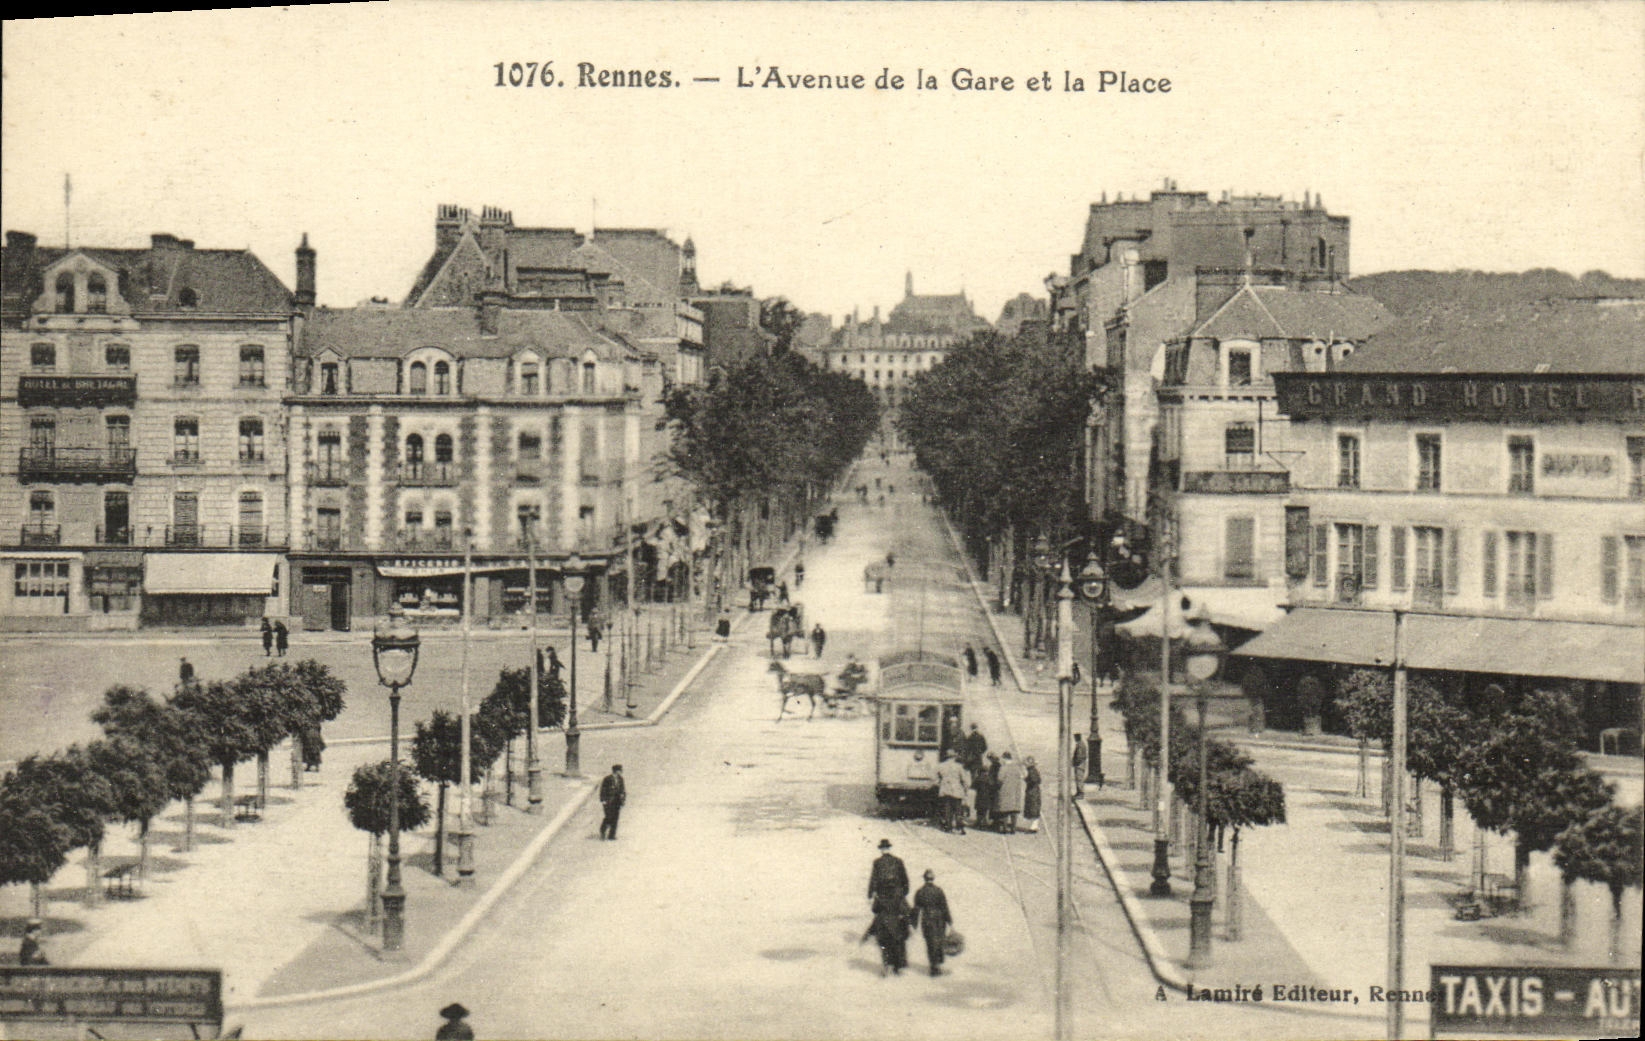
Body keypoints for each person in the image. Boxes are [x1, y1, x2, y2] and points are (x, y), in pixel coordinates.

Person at [864, 839, 910, 975]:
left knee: (884, 935)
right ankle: (899, 966)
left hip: (883, 901)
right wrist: (902, 894)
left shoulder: (877, 863)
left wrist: (870, 894)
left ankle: (887, 964)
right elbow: (905, 880)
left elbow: (873, 880)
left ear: (881, 850)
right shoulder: (898, 861)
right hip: (897, 900)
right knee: (899, 932)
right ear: (889, 849)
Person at [910, 870, 954, 976]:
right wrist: (949, 921)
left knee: (930, 943)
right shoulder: (939, 891)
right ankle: (937, 965)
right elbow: (944, 907)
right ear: (933, 879)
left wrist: (913, 924)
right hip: (939, 920)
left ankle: (933, 967)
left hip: (927, 920)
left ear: (924, 879)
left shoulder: (920, 892)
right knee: (939, 942)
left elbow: (916, 909)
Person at [935, 752, 969, 833]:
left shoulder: (941, 765)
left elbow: (935, 777)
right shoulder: (959, 766)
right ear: (954, 757)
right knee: (958, 809)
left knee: (947, 808)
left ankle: (948, 826)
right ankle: (959, 827)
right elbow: (964, 779)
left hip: (945, 789)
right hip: (956, 789)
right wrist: (965, 788)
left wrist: (939, 783)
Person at [995, 751, 1026, 833]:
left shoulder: (1003, 768)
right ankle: (1013, 829)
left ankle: (1004, 828)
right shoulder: (1016, 768)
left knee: (1005, 811)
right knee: (1014, 811)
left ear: (1005, 759)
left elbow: (1000, 780)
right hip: (1015, 792)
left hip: (1006, 791)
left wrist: (997, 787)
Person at [598, 764, 626, 839]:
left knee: (616, 818)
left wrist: (623, 800)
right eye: (620, 770)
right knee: (609, 817)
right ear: (616, 771)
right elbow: (603, 790)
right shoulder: (607, 779)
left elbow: (623, 790)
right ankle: (602, 830)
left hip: (617, 802)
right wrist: (603, 800)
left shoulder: (621, 779)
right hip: (608, 801)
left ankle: (612, 835)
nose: (621, 772)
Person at [975, 753, 1001, 830]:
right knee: (990, 807)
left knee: (989, 807)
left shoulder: (995, 766)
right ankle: (988, 822)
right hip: (992, 788)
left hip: (992, 789)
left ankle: (987, 823)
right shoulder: (996, 765)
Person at [1022, 756, 1043, 833]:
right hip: (1034, 791)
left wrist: (1027, 780)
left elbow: (1035, 780)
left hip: (1032, 792)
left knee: (1033, 808)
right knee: (1034, 808)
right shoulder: (1033, 770)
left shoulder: (1031, 771)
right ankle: (1034, 826)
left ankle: (1033, 827)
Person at [1071, 734, 1087, 799]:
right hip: (1080, 764)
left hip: (1079, 765)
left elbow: (1079, 756)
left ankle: (1081, 793)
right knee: (1078, 778)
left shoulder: (1080, 745)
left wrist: (1075, 762)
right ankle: (1078, 792)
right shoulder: (1081, 744)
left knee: (1079, 779)